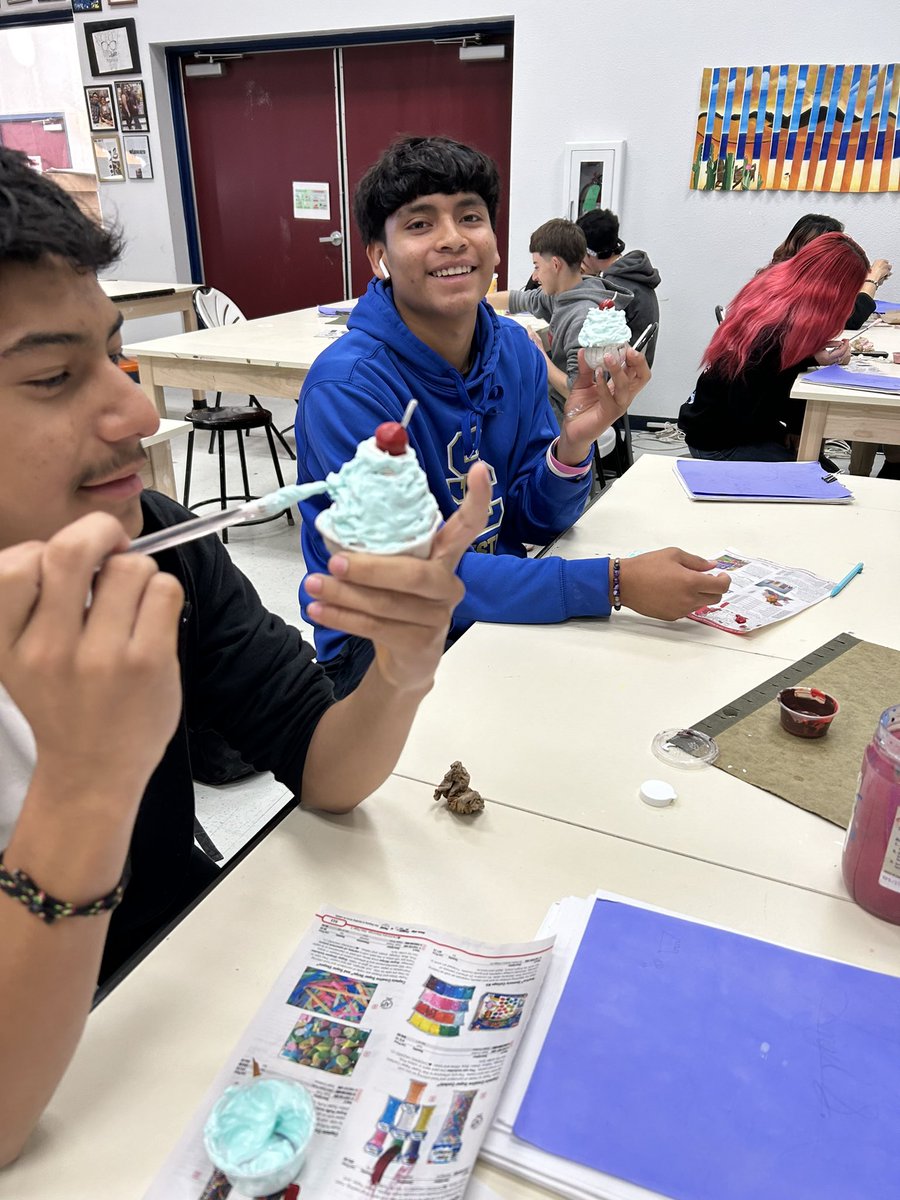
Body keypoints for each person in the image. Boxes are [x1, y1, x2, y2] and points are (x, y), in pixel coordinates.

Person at [0, 146, 491, 1166]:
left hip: (185, 995)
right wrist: (87, 783)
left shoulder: (151, 551)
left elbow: (323, 765)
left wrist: (400, 666)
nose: (139, 414)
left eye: (114, 354)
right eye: (51, 376)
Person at [294, 136, 730, 699]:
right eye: (420, 224)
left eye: (470, 216)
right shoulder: (348, 387)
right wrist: (615, 583)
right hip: (384, 647)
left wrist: (572, 449)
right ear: (379, 257)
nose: (453, 239)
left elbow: (530, 523)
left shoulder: (512, 349)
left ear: (494, 244)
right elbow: (413, 581)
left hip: (493, 602)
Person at [678, 232, 869, 461]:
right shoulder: (777, 330)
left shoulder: (774, 294)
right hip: (719, 440)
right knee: (820, 475)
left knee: (819, 465)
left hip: (716, 423)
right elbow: (751, 399)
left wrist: (812, 357)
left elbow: (768, 372)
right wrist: (794, 426)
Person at [488, 217, 623, 422]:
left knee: (497, 408)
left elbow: (578, 393)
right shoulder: (563, 294)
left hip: (567, 413)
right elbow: (519, 299)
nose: (534, 277)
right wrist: (479, 301)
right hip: (555, 399)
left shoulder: (583, 318)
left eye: (536, 266)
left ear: (555, 264)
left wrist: (540, 353)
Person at [765, 213, 892, 330]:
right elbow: (851, 319)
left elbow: (841, 305)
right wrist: (872, 279)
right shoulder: (789, 281)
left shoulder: (797, 274)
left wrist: (867, 282)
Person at [577, 208, 661, 366]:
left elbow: (594, 335)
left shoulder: (615, 286)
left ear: (589, 252)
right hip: (637, 367)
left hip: (619, 372)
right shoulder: (634, 272)